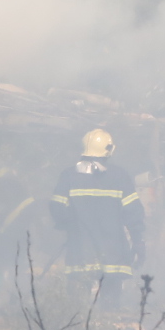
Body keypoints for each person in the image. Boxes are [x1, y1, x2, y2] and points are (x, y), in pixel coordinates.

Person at [48, 128, 145, 308]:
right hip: (113, 255)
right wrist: (138, 242)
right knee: (110, 309)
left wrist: (71, 224)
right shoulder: (120, 177)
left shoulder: (69, 176)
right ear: (109, 150)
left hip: (80, 252)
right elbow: (133, 213)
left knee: (76, 311)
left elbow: (57, 208)